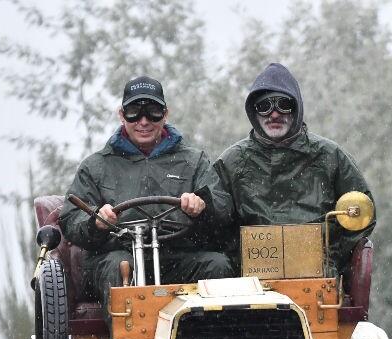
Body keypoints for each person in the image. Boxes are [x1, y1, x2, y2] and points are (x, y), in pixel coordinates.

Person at [59, 76, 233, 310]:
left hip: (177, 257)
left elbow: (223, 209)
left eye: (152, 112)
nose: (143, 121)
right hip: (118, 255)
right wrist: (96, 222)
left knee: (218, 264)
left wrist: (202, 207)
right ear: (121, 115)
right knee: (119, 266)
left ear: (165, 114)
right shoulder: (96, 166)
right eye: (134, 112)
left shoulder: (194, 161)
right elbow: (71, 219)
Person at [214, 63, 375, 275]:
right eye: (264, 106)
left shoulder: (329, 155)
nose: (273, 114)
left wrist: (331, 257)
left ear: (296, 107)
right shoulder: (232, 161)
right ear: (253, 112)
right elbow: (215, 221)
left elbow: (362, 214)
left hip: (318, 275)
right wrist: (240, 261)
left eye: (283, 104)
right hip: (251, 279)